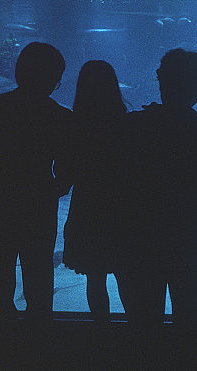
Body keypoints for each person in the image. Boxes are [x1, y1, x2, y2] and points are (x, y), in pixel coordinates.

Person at [117, 49, 197, 334]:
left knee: (141, 322)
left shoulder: (131, 126)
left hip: (138, 236)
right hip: (186, 237)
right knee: (188, 320)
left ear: (162, 80)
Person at [0, 42, 72, 321]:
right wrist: (58, 187)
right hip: (39, 202)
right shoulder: (60, 116)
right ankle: (39, 340)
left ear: (19, 72)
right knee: (39, 272)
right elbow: (67, 166)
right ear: (54, 79)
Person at [62, 60, 128, 326]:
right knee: (127, 273)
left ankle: (102, 332)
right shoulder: (128, 124)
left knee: (95, 276)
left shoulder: (73, 125)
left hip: (87, 207)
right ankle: (139, 333)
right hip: (122, 208)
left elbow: (65, 172)